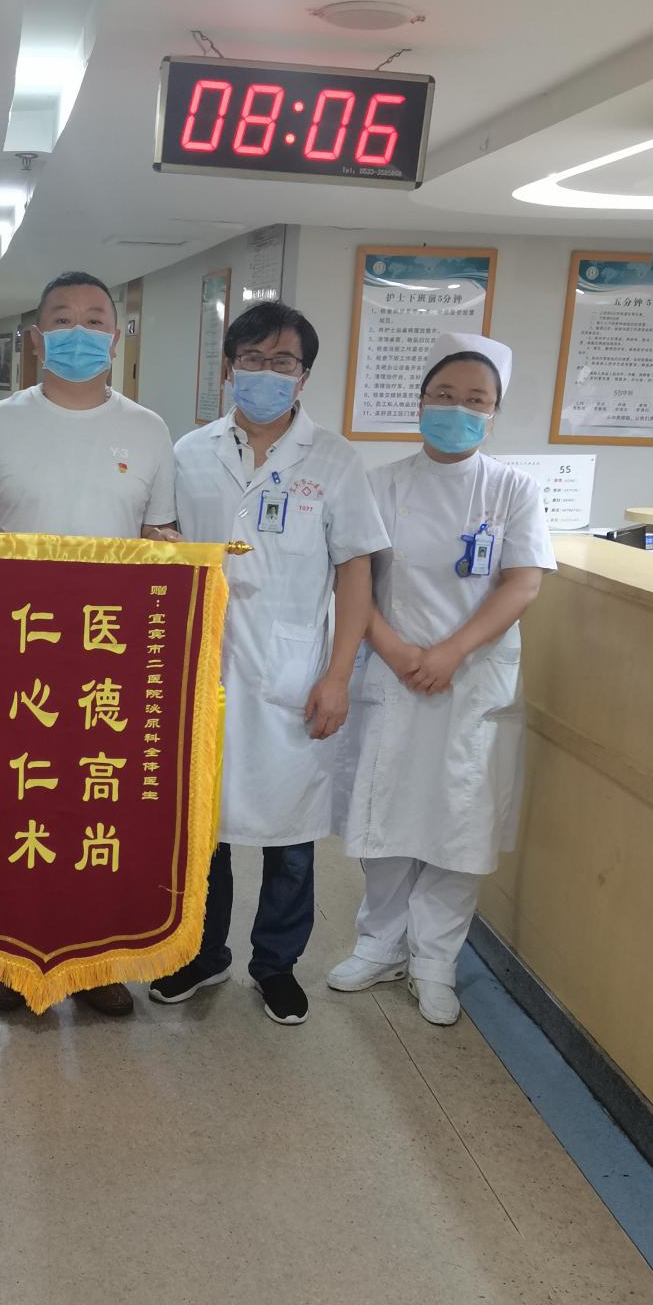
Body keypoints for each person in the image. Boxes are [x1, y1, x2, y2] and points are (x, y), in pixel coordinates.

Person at [0, 268, 179, 1019]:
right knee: (24, 808)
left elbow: (160, 538)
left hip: (110, 663)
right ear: (38, 336)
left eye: (95, 319)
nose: (80, 331)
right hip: (18, 660)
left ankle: (96, 963)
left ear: (117, 334)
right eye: (63, 318)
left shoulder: (149, 430)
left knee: (100, 810)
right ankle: (15, 962)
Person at [149, 299, 387, 1025]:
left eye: (282, 362)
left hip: (293, 674)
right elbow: (160, 540)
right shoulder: (190, 451)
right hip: (199, 668)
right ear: (229, 368)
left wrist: (339, 675)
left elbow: (355, 572)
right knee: (203, 825)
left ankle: (276, 966)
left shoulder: (335, 460)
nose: (266, 373)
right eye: (252, 359)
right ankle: (202, 953)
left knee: (290, 838)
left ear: (303, 376)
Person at [330, 329, 556, 1026]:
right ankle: (379, 944)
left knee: (461, 826)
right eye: (444, 395)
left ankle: (435, 962)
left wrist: (451, 652)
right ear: (420, 401)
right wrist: (397, 650)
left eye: (476, 400)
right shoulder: (379, 484)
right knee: (386, 818)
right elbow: (354, 580)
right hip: (393, 673)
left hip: (472, 680)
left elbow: (522, 583)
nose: (458, 409)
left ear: (495, 412)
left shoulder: (512, 488)